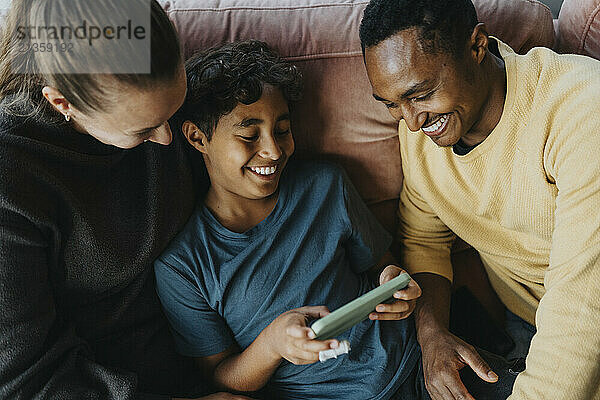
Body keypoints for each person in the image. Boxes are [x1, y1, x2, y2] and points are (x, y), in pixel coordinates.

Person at [154, 40, 518, 400]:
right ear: (197, 137)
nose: (273, 150)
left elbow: (383, 267)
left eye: (282, 130)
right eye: (249, 135)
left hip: (418, 364)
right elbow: (222, 379)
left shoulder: (325, 185)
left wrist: (395, 283)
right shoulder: (182, 267)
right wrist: (272, 345)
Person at [0, 1, 251, 399]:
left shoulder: (154, 78)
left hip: (222, 356)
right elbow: (25, 380)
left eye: (172, 111)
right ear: (62, 103)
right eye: (145, 130)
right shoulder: (13, 180)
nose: (169, 140)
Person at [359, 0, 600, 399]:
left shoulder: (580, 112)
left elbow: (584, 307)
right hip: (529, 327)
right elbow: (425, 242)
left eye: (420, 94)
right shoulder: (421, 129)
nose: (411, 122)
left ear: (477, 46)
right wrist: (432, 335)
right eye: (391, 104)